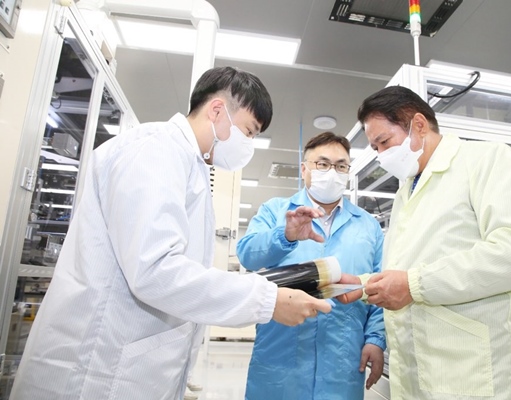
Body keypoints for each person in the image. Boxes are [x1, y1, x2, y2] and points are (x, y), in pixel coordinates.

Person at [9, 66, 331, 400]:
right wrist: (266, 300)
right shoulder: (153, 151)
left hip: (125, 366)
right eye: (248, 132)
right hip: (95, 369)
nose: (248, 145)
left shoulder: (188, 164)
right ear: (217, 110)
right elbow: (155, 269)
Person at [339, 86, 511, 399]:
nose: (381, 156)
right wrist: (364, 285)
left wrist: (414, 285)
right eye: (375, 148)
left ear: (419, 125)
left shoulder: (487, 160)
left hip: (479, 370)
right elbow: (409, 267)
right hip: (421, 368)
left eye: (384, 142)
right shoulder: (406, 191)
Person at [237, 131, 386, 400]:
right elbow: (247, 255)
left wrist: (375, 339)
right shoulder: (276, 211)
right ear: (304, 169)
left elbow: (378, 286)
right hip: (280, 357)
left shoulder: (367, 226)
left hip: (342, 361)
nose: (332, 172)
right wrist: (285, 235)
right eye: (323, 164)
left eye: (341, 166)